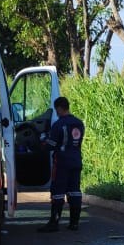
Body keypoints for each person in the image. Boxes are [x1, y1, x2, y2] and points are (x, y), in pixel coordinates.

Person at [38, 96, 85, 232]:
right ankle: (74, 223)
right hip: (76, 160)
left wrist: (43, 139)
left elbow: (51, 145)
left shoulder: (58, 125)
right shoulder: (79, 123)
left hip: (62, 162)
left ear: (59, 108)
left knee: (58, 192)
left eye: (56, 109)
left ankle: (54, 223)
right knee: (74, 191)